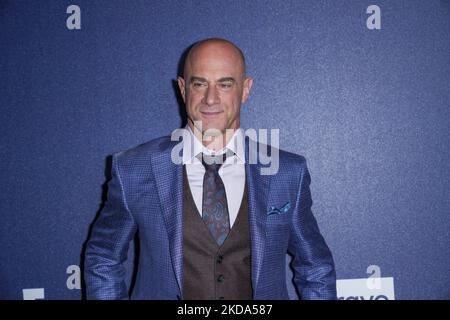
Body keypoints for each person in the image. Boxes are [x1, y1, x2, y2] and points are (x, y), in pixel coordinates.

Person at [84, 38, 336, 300]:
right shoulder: (134, 169)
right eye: (199, 83)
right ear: (183, 89)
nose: (211, 98)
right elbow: (103, 256)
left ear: (246, 89)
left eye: (225, 84)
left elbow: (315, 267)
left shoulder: (287, 172)